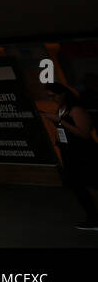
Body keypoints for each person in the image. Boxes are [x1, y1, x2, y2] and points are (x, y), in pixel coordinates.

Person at [42, 82, 98, 230]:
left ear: (63, 94)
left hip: (84, 153)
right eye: (48, 96)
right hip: (70, 152)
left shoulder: (76, 110)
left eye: (53, 96)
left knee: (88, 184)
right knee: (79, 186)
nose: (52, 99)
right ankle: (93, 217)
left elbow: (84, 133)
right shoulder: (62, 109)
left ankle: (94, 219)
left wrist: (59, 121)